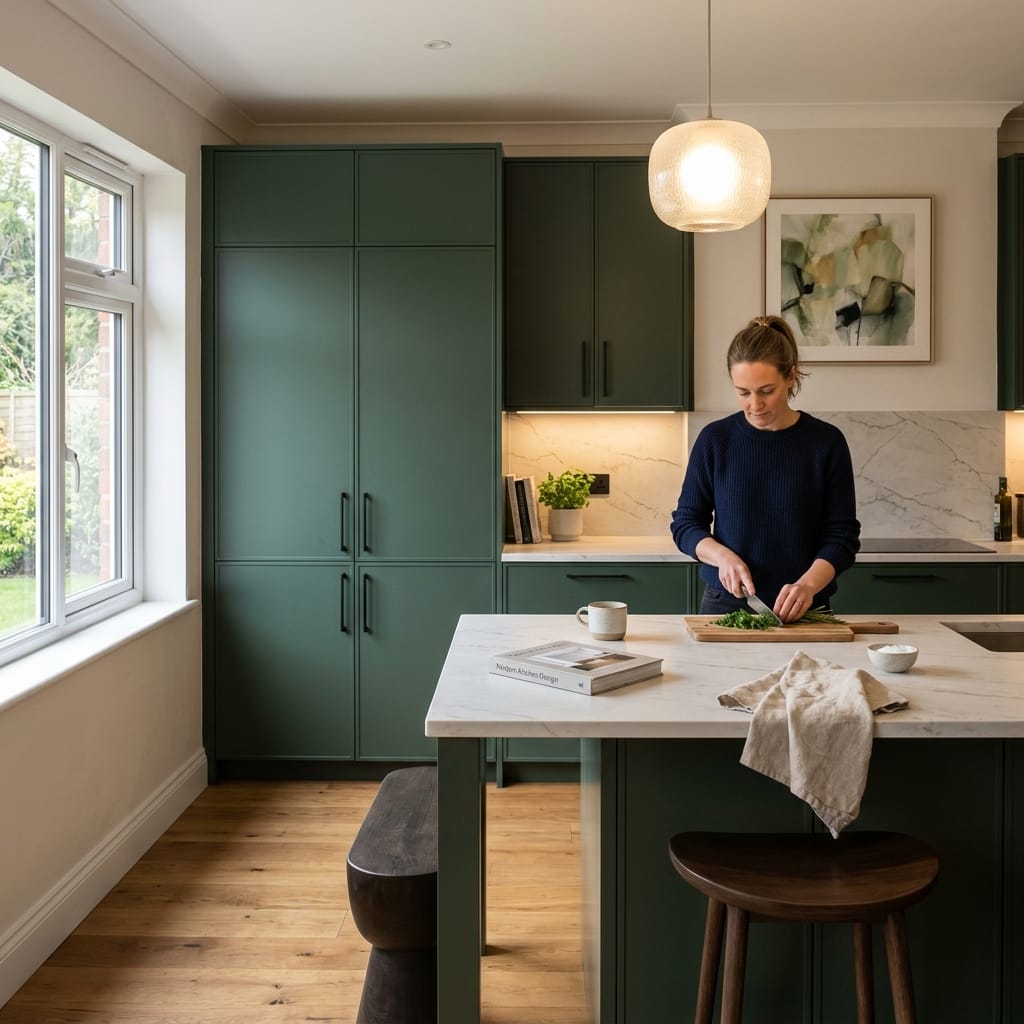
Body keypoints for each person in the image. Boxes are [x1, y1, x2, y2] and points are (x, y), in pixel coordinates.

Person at [670, 315, 860, 622]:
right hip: (726, 608)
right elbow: (686, 524)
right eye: (743, 392)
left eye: (766, 390)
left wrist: (808, 586)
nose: (755, 404)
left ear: (791, 377)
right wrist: (723, 558)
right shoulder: (715, 440)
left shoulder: (825, 443)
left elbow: (842, 537)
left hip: (806, 611)